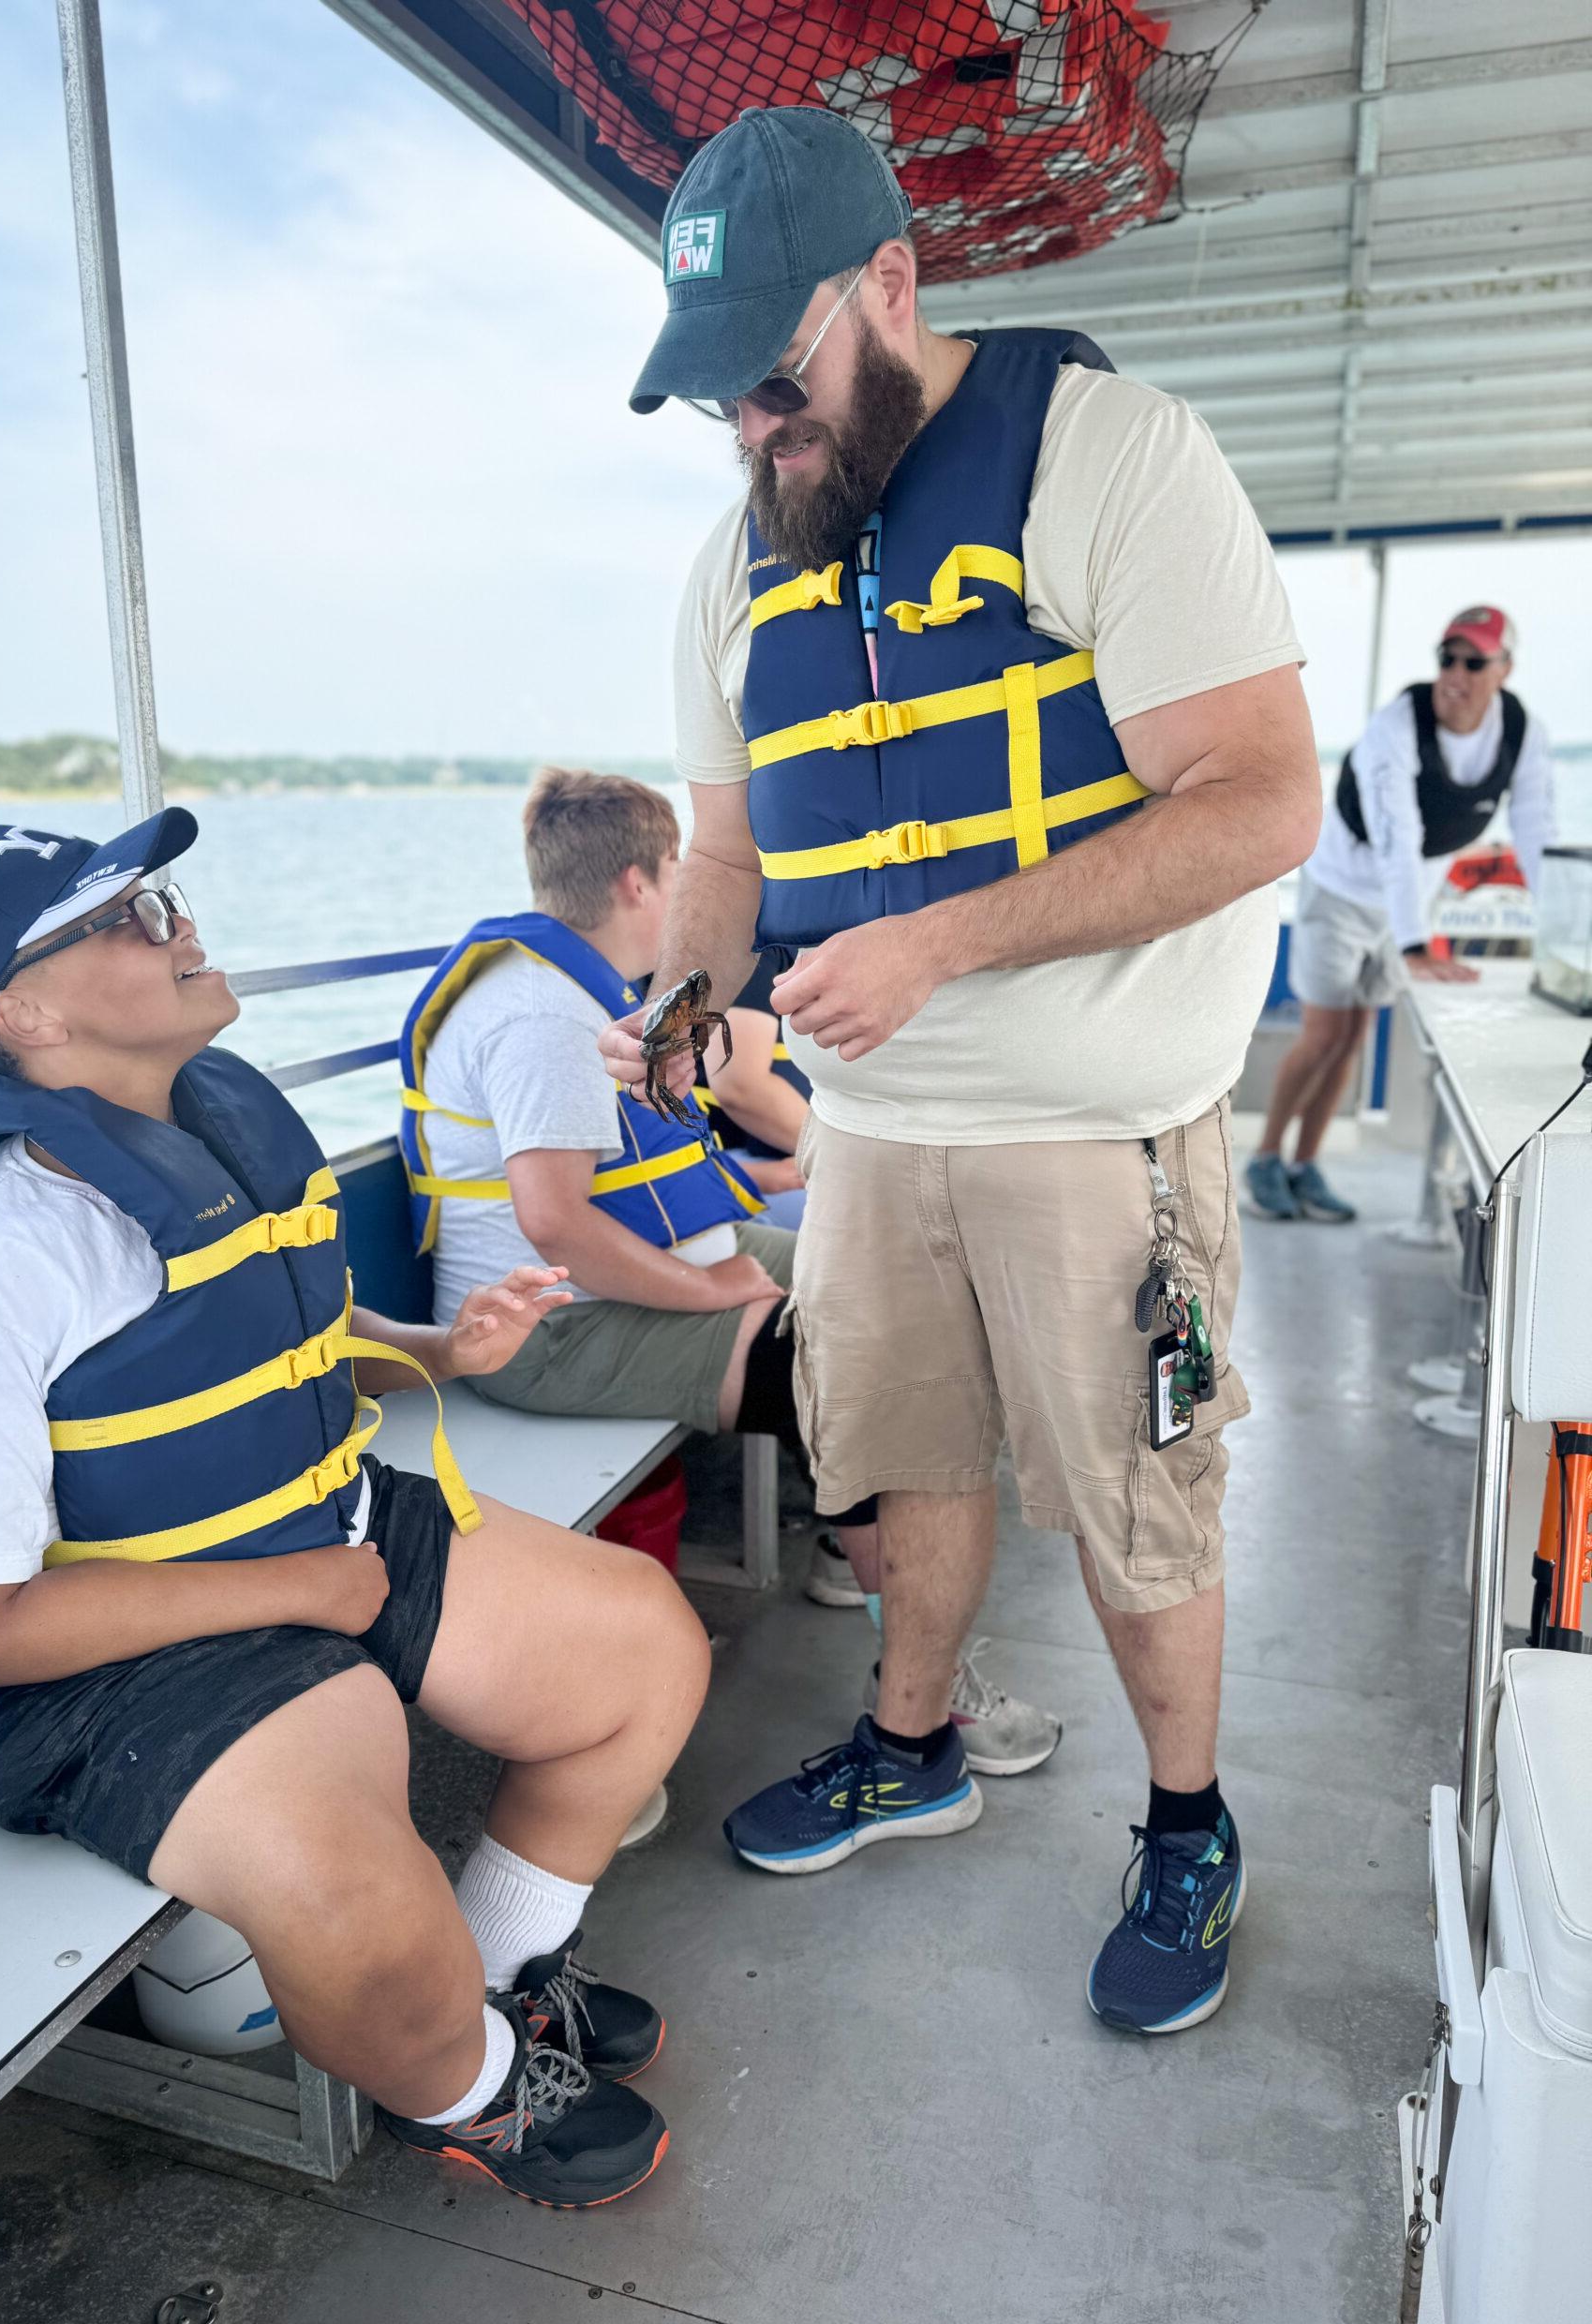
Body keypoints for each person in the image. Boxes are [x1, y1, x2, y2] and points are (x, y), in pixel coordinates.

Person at [607, 105, 1320, 2033]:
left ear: (895, 289)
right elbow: (730, 855)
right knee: (896, 1458)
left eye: (776, 381)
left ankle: (1189, 1818)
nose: (758, 435)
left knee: (1133, 1497)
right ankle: (909, 1741)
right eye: (720, 403)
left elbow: (1261, 802)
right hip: (871, 1137)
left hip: (1095, 1129)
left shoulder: (1117, 459)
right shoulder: (733, 557)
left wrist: (941, 943)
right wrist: (685, 999)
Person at [0, 810, 714, 2208]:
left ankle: (485, 1980)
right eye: (123, 917)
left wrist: (441, 1352)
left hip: (312, 1528)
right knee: (361, 1900)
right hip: (86, 1655)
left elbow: (264, 1320)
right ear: (23, 1013)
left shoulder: (217, 1124)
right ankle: (473, 2090)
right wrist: (298, 1594)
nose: (175, 923)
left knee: (641, 1650)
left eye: (162, 895)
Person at [401, 766, 1061, 1765]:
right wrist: (709, 1290)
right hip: (554, 1329)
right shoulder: (542, 1014)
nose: (691, 890)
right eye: (681, 868)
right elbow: (556, 1226)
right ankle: (920, 1685)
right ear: (638, 882)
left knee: (899, 1293)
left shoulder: (605, 997)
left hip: (647, 1267)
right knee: (849, 1366)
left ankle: (858, 1556)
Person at [1250, 605, 1556, 1223]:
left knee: (1355, 1038)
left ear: (1504, 670)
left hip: (1405, 900)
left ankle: (1306, 1167)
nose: (1456, 673)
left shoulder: (1520, 732)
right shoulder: (1398, 725)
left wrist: (1559, 934)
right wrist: (1419, 947)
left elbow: (1535, 830)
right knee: (1322, 1035)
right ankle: (1264, 1158)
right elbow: (1398, 835)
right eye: (1448, 657)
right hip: (1341, 887)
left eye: (1474, 661)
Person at [695, 944, 810, 1230]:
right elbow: (741, 1088)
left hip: (796, 1162)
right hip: (746, 1166)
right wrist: (847, 1153)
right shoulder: (756, 943)